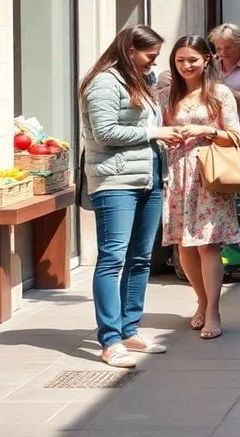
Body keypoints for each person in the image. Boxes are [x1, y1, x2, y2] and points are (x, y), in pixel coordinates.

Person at [79, 25, 181, 369]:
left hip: (149, 178)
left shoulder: (141, 81)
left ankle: (129, 329)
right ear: (130, 50)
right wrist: (154, 132)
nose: (154, 63)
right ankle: (109, 340)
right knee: (113, 259)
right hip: (115, 181)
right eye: (149, 56)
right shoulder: (104, 83)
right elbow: (104, 132)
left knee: (141, 259)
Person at [159, 36, 240, 340]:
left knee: (208, 243)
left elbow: (235, 135)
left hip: (208, 172)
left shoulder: (220, 93)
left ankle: (213, 310)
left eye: (192, 59)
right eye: (180, 60)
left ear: (207, 59)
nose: (186, 66)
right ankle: (202, 300)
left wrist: (205, 129)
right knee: (184, 244)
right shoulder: (166, 95)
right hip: (177, 172)